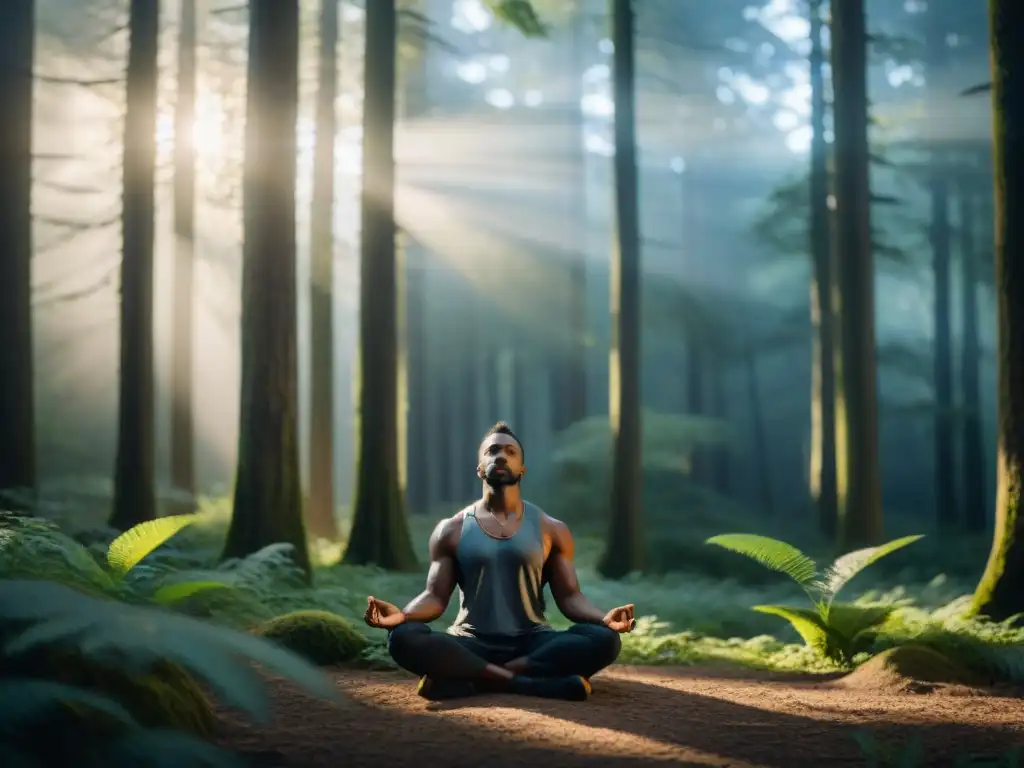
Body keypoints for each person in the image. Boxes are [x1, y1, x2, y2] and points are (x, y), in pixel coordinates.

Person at [364, 421, 635, 702]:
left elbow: (571, 597)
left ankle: (473, 680)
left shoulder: (552, 528)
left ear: (522, 469)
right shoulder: (451, 529)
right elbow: (434, 596)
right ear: (480, 467)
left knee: (604, 639)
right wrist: (403, 616)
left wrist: (605, 618)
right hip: (471, 643)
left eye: (510, 451)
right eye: (492, 451)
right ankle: (530, 684)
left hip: (532, 643)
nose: (501, 456)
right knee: (402, 637)